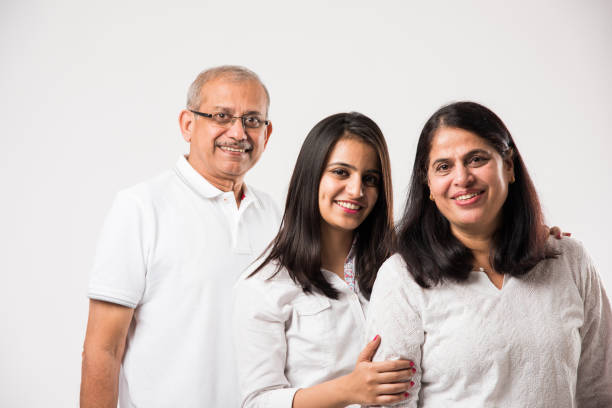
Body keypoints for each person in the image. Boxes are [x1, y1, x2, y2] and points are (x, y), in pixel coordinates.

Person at [366, 101, 612, 407]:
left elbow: (599, 392)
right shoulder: (402, 278)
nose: (462, 178)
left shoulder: (570, 261)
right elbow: (390, 405)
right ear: (428, 185)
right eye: (444, 166)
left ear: (508, 166)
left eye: (476, 159)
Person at [80, 66, 281, 407]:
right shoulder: (141, 207)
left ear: (267, 132)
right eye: (222, 116)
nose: (238, 132)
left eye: (252, 120)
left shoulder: (275, 215)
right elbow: (103, 350)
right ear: (188, 125)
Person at [233, 112, 416, 407]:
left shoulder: (400, 269)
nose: (356, 191)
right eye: (341, 172)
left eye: (370, 179)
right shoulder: (263, 285)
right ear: (312, 176)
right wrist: (349, 390)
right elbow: (257, 402)